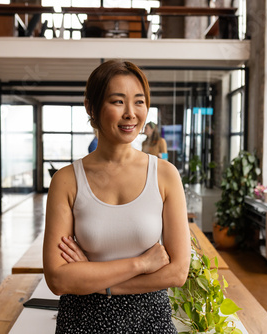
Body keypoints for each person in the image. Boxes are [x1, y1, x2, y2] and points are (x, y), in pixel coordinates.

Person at [42, 60, 190, 333]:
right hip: (82, 323)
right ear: (91, 107)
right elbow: (58, 278)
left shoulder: (165, 175)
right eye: (118, 102)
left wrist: (98, 282)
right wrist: (142, 264)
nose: (131, 114)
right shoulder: (66, 180)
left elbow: (178, 272)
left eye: (139, 102)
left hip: (150, 322)